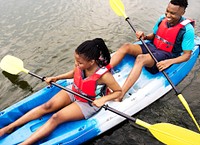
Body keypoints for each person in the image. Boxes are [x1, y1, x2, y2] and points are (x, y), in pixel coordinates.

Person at [0, 38, 122, 144]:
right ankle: (9, 128)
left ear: (91, 62)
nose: (76, 64)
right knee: (47, 106)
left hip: (89, 102)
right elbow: (74, 73)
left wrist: (103, 100)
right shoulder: (81, 65)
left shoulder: (104, 76)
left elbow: (118, 91)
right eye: (75, 60)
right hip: (75, 90)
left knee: (56, 117)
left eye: (79, 62)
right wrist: (57, 77)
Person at [110, 0, 195, 101]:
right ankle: (103, 72)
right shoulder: (162, 19)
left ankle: (120, 94)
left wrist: (169, 62)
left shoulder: (187, 30)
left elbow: (187, 55)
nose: (168, 15)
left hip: (167, 54)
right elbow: (154, 36)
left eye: (172, 13)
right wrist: (144, 36)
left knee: (141, 58)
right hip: (153, 46)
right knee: (126, 46)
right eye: (167, 11)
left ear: (182, 13)